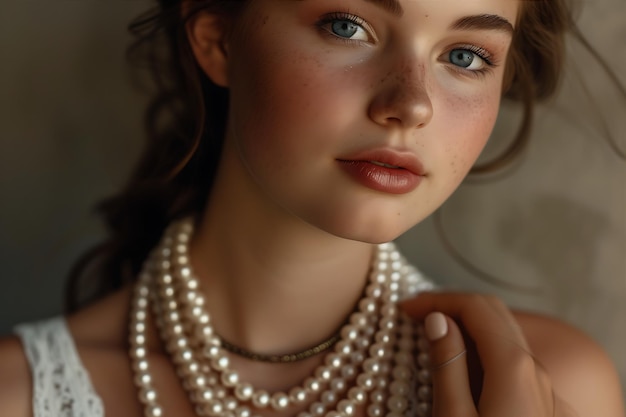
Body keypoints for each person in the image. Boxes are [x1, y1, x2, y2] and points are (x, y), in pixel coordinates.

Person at [0, 0, 623, 416]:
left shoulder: (552, 386)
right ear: (217, 38)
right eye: (348, 25)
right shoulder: (18, 394)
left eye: (465, 56)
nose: (411, 105)